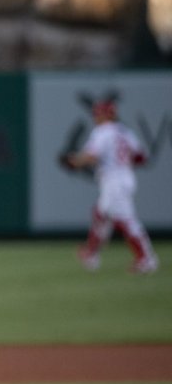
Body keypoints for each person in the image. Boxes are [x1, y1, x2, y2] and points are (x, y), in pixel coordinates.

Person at [61, 95, 158, 274]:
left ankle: (146, 258)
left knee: (126, 220)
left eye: (98, 113)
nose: (96, 116)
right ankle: (91, 253)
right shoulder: (124, 131)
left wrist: (73, 161)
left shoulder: (103, 131)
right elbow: (140, 157)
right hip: (125, 177)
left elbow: (92, 156)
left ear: (106, 115)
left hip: (114, 180)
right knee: (101, 213)